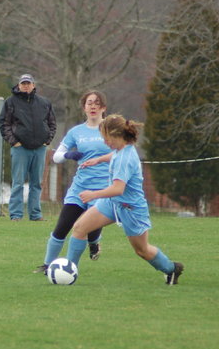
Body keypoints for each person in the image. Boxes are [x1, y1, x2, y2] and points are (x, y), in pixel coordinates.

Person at [63, 114, 184, 284]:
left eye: (106, 138)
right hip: (112, 203)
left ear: (117, 136)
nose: (105, 142)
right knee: (79, 228)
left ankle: (172, 268)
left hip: (131, 209)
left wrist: (93, 194)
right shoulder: (121, 149)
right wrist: (98, 159)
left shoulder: (125, 159)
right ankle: (68, 272)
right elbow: (113, 155)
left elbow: (118, 189)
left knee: (142, 250)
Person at [33, 91, 111, 274]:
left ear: (103, 108)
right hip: (79, 188)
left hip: (102, 190)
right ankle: (47, 265)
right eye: (89, 103)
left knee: (90, 229)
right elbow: (56, 156)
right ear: (84, 107)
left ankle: (93, 243)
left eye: (97, 103)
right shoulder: (76, 132)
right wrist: (69, 154)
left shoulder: (110, 130)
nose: (92, 106)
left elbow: (122, 152)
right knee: (62, 227)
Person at [0, 73, 57, 221]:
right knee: (18, 183)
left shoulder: (44, 103)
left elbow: (52, 123)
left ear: (33, 85)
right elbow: (4, 124)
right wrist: (14, 142)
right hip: (20, 148)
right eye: (23, 83)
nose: (25, 86)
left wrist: (47, 140)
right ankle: (16, 215)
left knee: (36, 183)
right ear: (19, 85)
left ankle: (35, 215)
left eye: (28, 83)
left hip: (40, 148)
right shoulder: (10, 102)